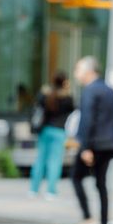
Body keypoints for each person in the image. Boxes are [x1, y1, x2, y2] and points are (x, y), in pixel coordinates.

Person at [66, 56, 113, 224]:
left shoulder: (90, 91)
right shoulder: (109, 90)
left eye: (78, 69)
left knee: (76, 177)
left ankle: (88, 218)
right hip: (109, 144)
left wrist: (85, 147)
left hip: (92, 144)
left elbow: (87, 120)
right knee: (101, 183)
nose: (76, 74)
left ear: (89, 71)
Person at [29, 72, 75, 200]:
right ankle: (51, 191)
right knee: (55, 161)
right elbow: (72, 112)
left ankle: (33, 189)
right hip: (59, 131)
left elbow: (37, 108)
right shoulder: (67, 98)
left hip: (45, 130)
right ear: (64, 82)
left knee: (40, 159)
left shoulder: (45, 94)